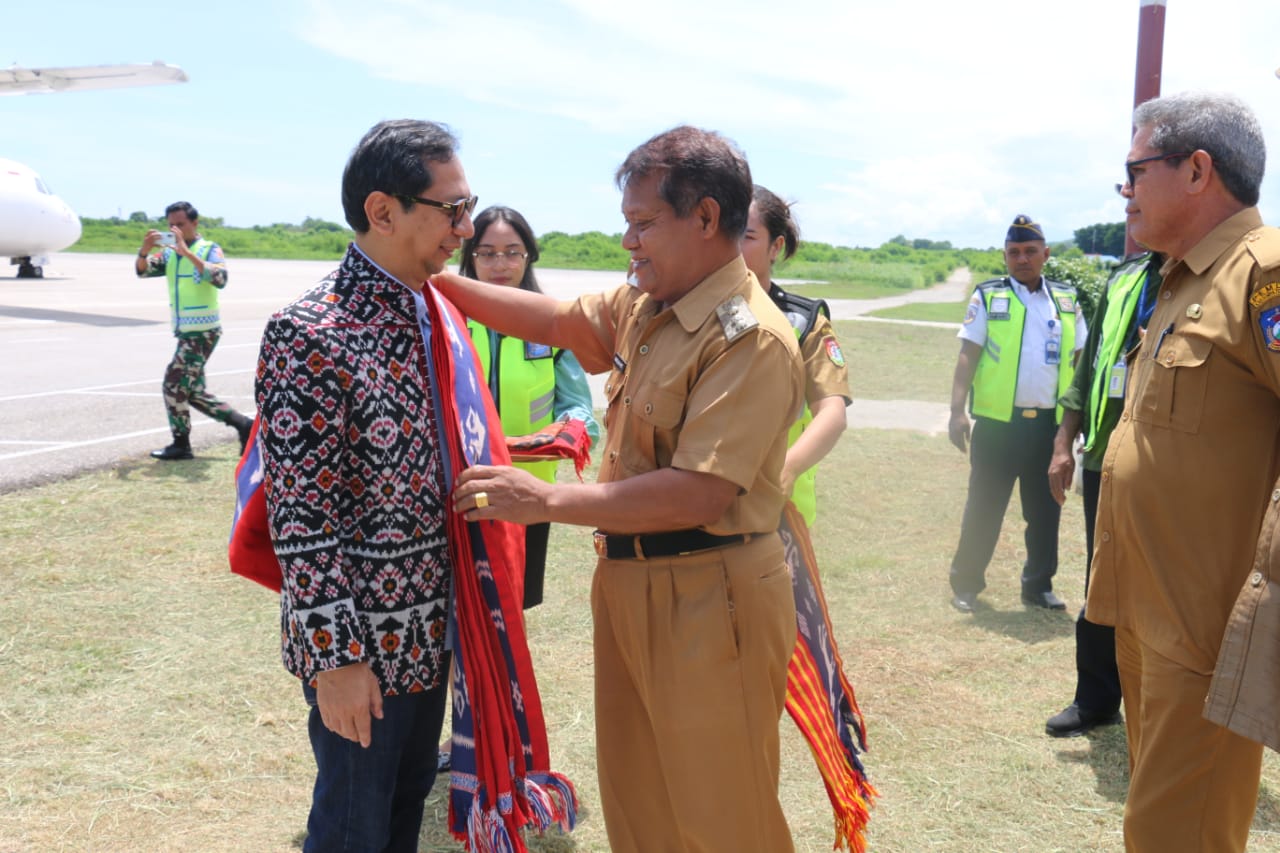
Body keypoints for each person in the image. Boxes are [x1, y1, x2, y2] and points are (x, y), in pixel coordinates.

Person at [433, 125, 804, 853]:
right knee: (641, 805)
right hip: (632, 581)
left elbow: (698, 492)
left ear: (704, 218)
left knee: (722, 814)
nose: (629, 243)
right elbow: (552, 318)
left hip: (710, 593)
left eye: (642, 224)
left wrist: (542, 501)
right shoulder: (651, 302)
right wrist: (434, 277)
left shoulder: (748, 336)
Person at [253, 119, 478, 851]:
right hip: (361, 654)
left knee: (404, 811)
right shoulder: (310, 331)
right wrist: (335, 658)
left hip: (428, 634)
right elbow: (301, 517)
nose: (464, 227)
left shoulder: (433, 313)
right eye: (451, 209)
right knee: (353, 827)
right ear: (383, 211)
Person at [1088, 91, 1280, 852]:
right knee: (1162, 825)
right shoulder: (1177, 282)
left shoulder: (1264, 271)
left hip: (1206, 628)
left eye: (1135, 170)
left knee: (1176, 836)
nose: (1125, 191)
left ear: (1198, 170)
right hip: (1146, 610)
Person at [457, 205, 600, 609]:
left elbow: (579, 412)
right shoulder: (447, 321)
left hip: (527, 494)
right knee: (457, 609)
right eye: (486, 252)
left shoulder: (554, 325)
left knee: (512, 607)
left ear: (528, 256)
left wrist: (565, 434)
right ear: (469, 256)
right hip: (457, 488)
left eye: (512, 251)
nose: (500, 263)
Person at [1043, 251, 1162, 737]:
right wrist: (1062, 442)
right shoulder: (1125, 280)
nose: (1131, 201)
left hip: (1167, 464)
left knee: (1163, 585)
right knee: (1103, 574)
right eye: (1125, 191)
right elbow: (1088, 367)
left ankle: (1161, 707)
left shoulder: (1209, 273)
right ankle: (1096, 699)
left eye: (1140, 183)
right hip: (1104, 458)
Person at [947, 215, 1087, 613]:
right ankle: (967, 584)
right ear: (1005, 257)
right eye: (1013, 253)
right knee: (984, 508)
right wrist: (957, 411)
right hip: (997, 426)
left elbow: (1080, 362)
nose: (1021, 259)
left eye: (1029, 251)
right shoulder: (989, 297)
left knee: (1045, 511)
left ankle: (1038, 585)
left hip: (1048, 428)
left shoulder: (1065, 300)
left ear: (1046, 254)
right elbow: (967, 355)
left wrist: (1074, 424)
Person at [741, 186, 850, 527]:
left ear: (776, 246)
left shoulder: (803, 323)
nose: (731, 246)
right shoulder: (688, 309)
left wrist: (787, 469)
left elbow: (832, 413)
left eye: (746, 236)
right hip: (699, 502)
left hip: (778, 510)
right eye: (723, 231)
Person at [135, 201, 252, 460]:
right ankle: (245, 425)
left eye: (180, 224)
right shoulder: (168, 254)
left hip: (203, 332)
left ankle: (181, 444)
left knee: (173, 385)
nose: (175, 229)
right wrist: (144, 252)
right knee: (192, 392)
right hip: (185, 332)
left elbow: (220, 278)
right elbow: (143, 272)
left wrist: (187, 252)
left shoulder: (210, 249)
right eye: (171, 226)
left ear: (195, 224)